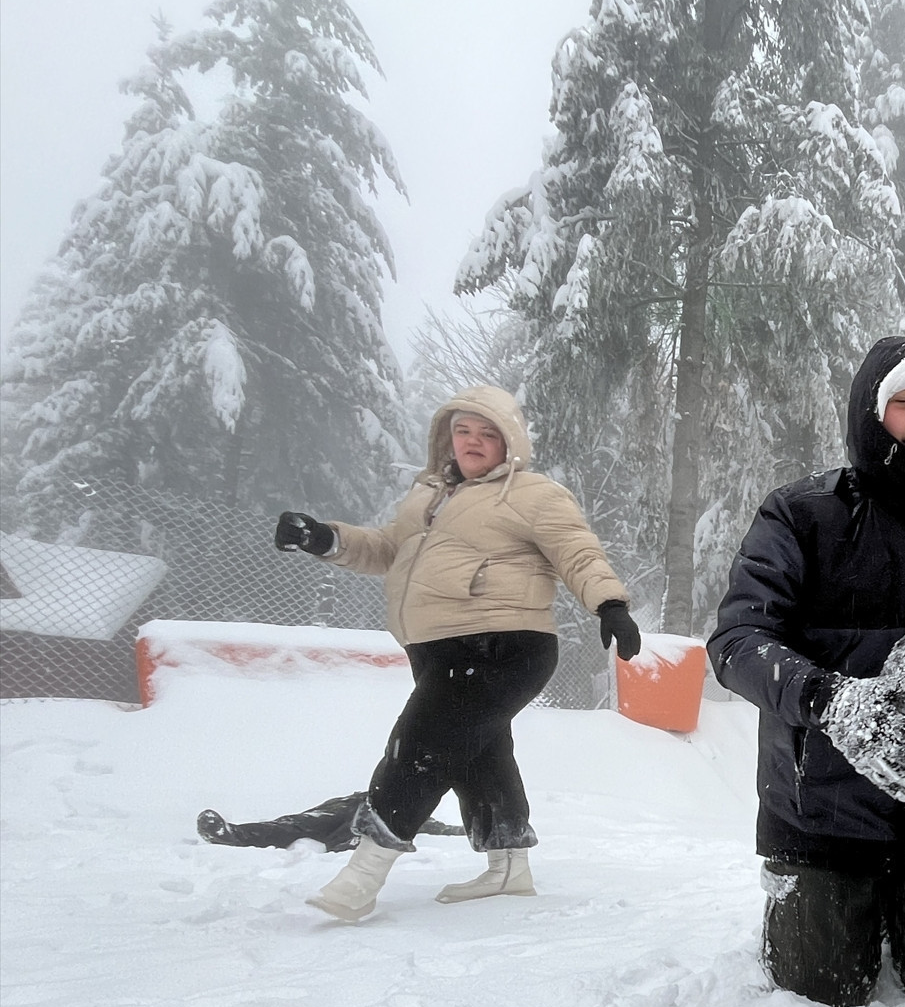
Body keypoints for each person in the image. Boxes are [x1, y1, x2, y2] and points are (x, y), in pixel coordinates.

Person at [710, 337, 905, 1007]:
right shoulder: (800, 514)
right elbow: (738, 641)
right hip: (819, 813)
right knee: (817, 997)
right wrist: (830, 699)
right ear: (871, 411)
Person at [274, 384, 640, 920]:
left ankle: (361, 878)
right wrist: (324, 539)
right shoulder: (429, 496)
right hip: (438, 648)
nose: (472, 441)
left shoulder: (532, 493)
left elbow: (577, 551)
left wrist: (609, 604)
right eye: (462, 430)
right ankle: (509, 866)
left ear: (509, 442)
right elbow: (388, 548)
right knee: (477, 753)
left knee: (418, 746)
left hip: (502, 643)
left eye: (487, 433)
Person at [196, 795, 461, 852]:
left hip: (374, 819)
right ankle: (233, 834)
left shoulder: (415, 812)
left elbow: (442, 830)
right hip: (343, 809)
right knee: (293, 825)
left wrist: (468, 833)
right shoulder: (362, 795)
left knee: (363, 829)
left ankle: (344, 844)